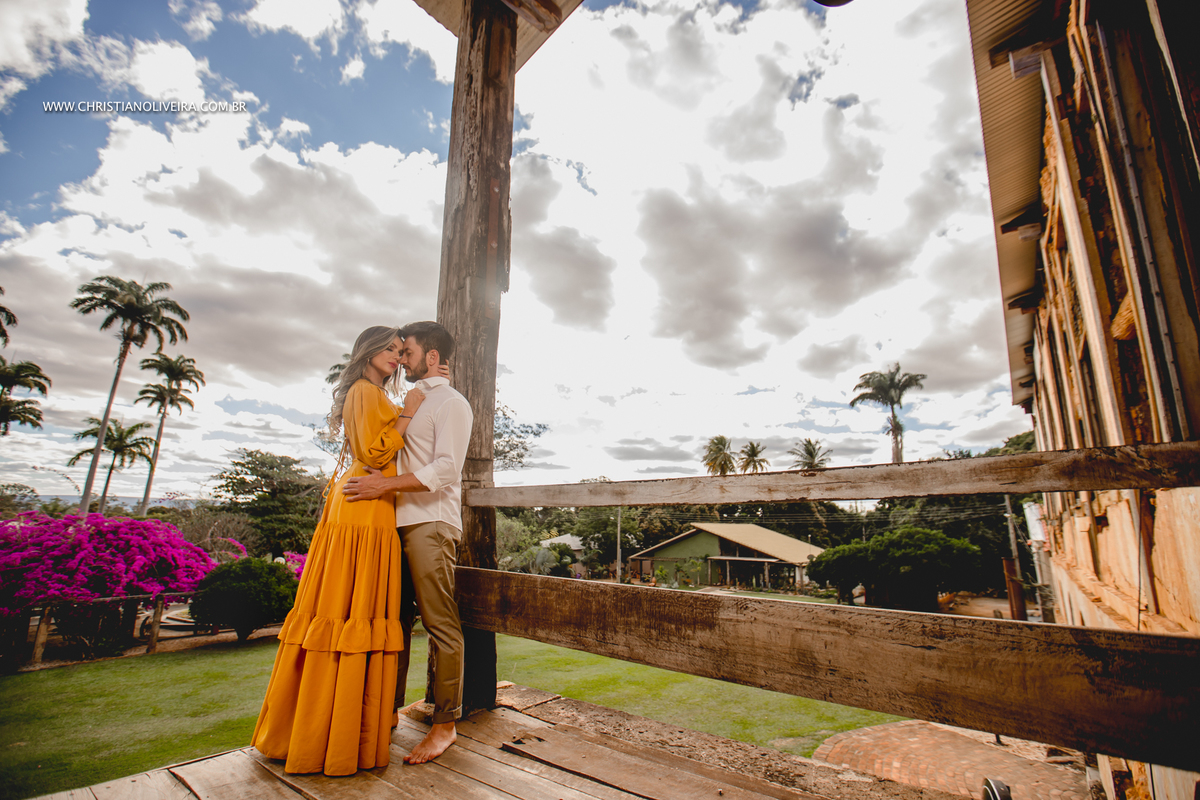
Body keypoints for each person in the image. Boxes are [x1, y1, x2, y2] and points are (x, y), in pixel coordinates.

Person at [250, 326, 426, 776]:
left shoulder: (372, 393)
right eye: (388, 348)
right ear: (367, 352)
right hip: (364, 505)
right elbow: (373, 452)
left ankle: (339, 727)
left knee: (352, 605)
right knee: (351, 605)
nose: (395, 356)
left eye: (400, 350)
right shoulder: (366, 391)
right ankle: (331, 733)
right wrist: (408, 413)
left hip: (371, 501)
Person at [342, 320, 472, 765]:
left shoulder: (451, 403)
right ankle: (388, 712)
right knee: (393, 623)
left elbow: (447, 469)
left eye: (408, 352)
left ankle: (445, 725)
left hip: (430, 522)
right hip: (394, 524)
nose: (401, 360)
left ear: (432, 357)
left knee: (440, 624)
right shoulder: (412, 402)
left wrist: (383, 485)